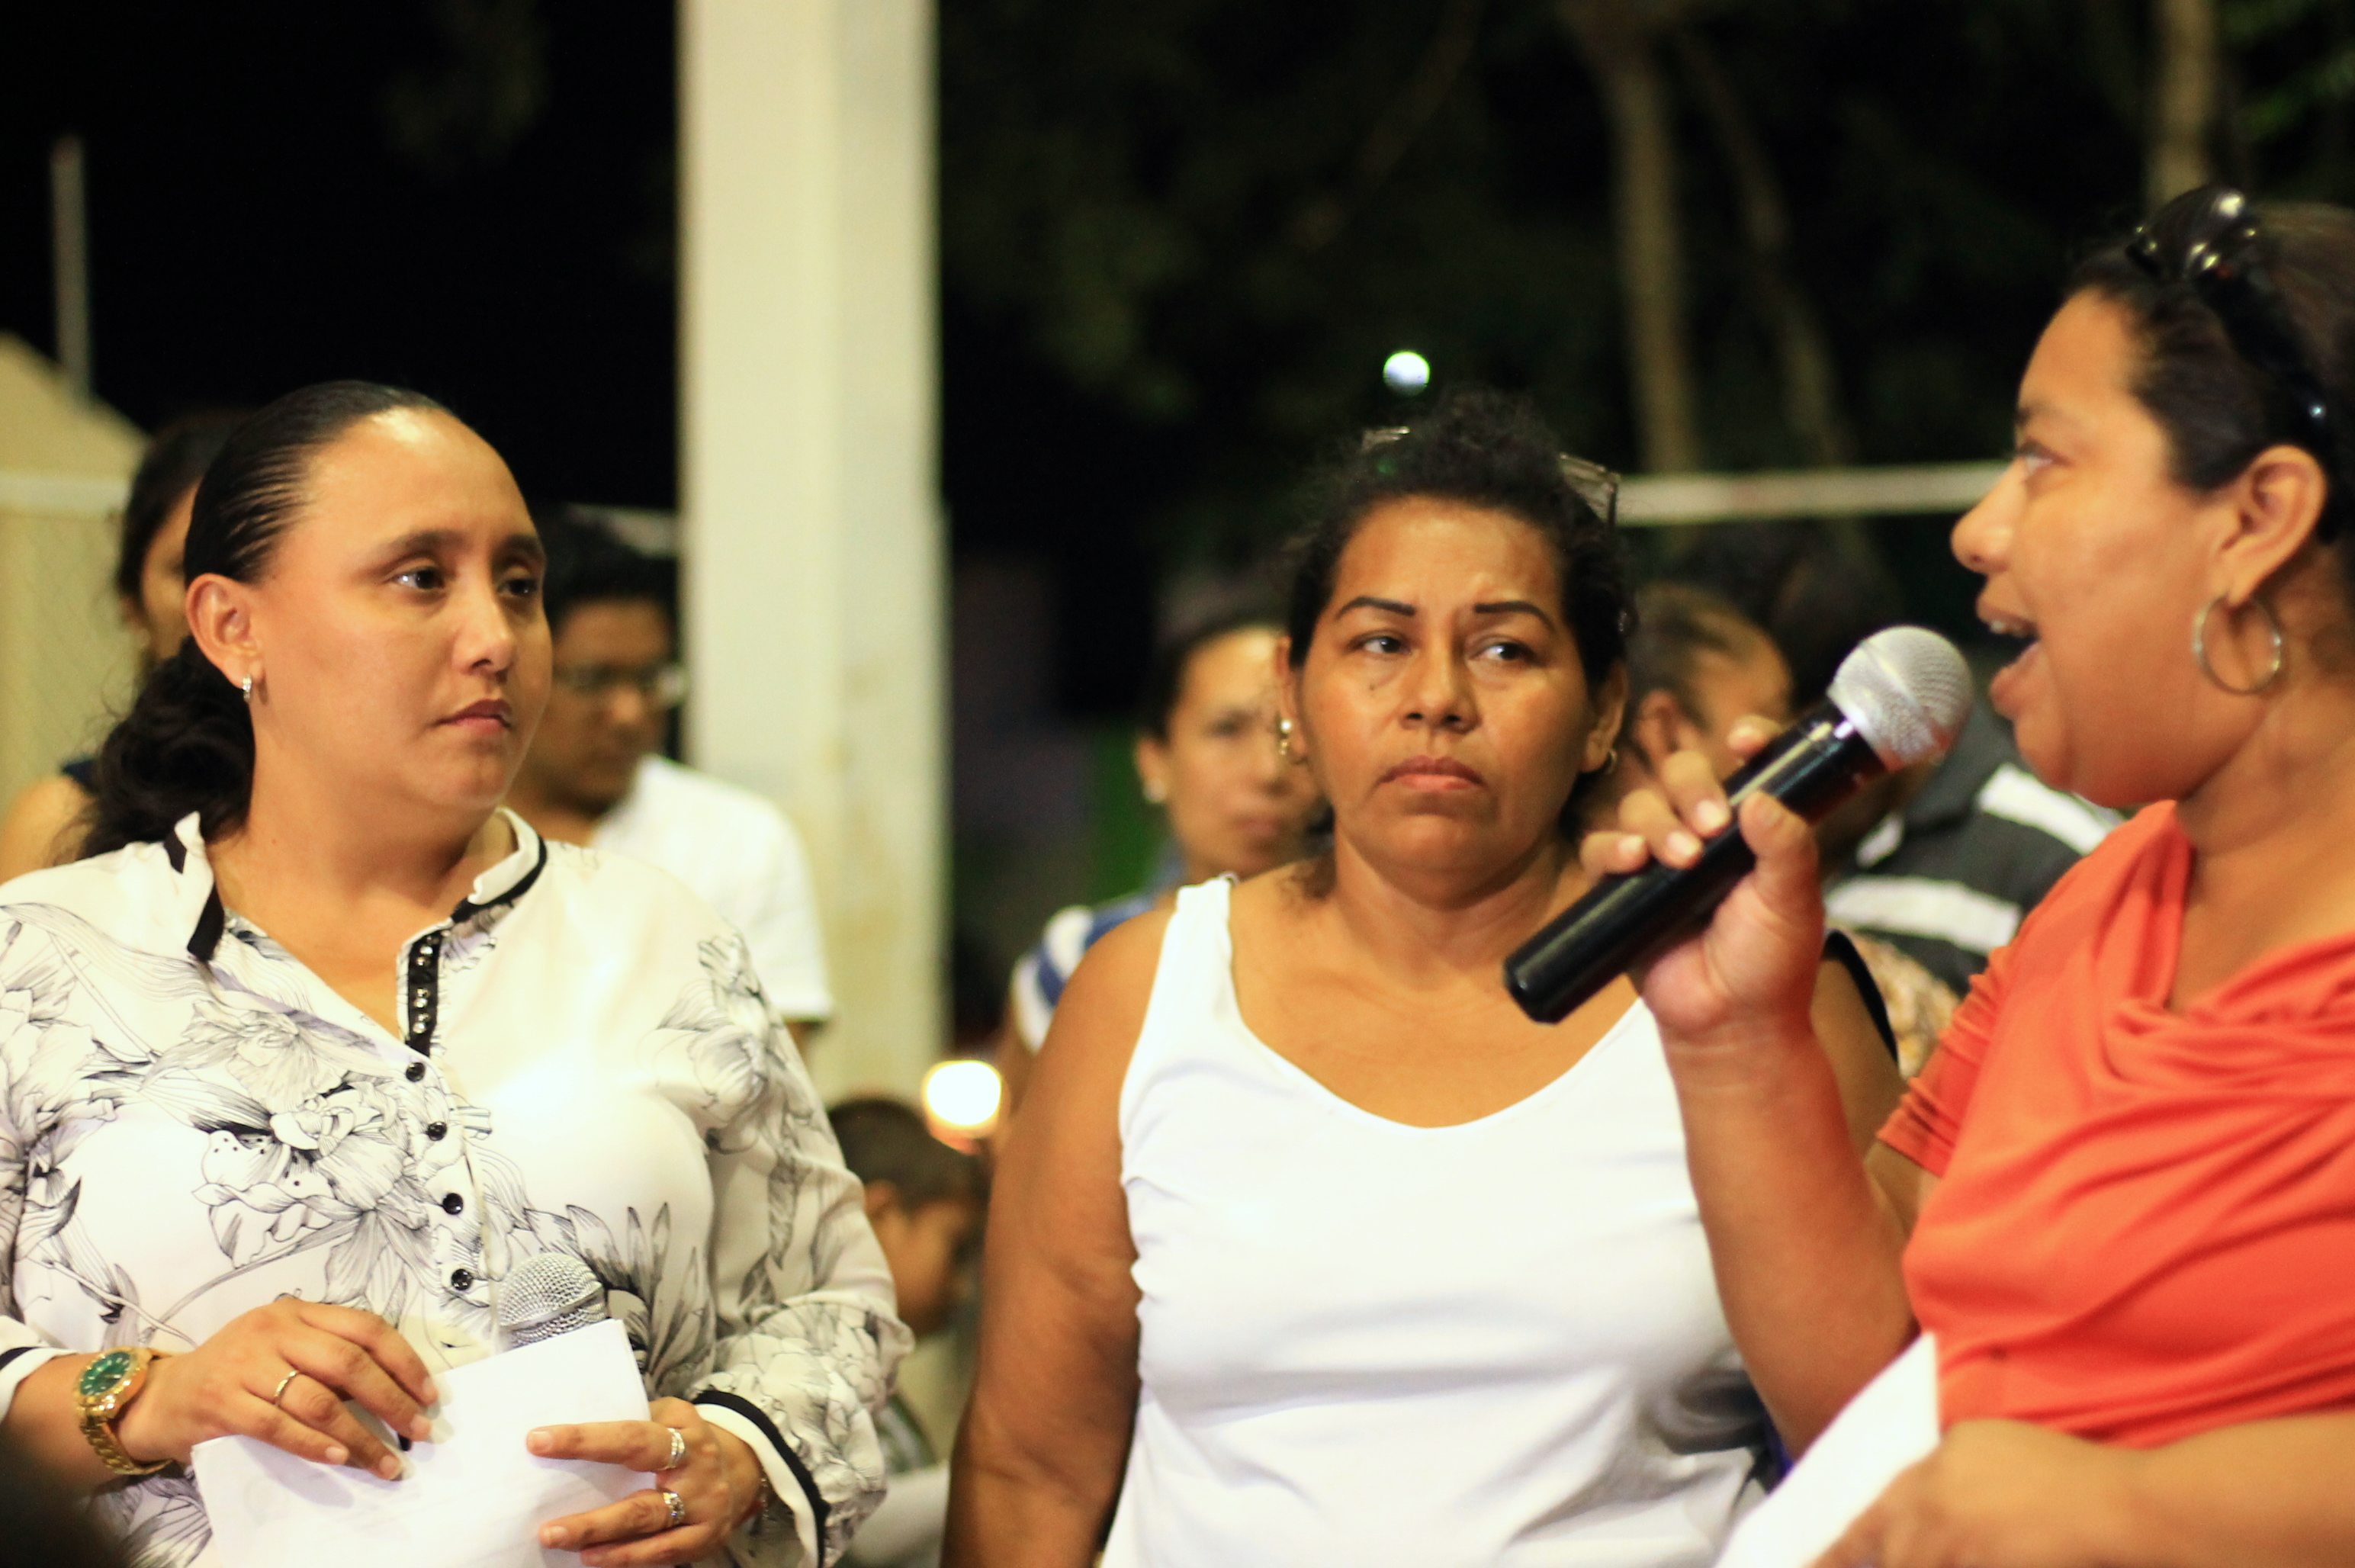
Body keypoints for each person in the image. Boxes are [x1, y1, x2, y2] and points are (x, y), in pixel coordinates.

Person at [946, 391, 1901, 1566]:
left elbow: (1893, 1442)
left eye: (1507, 647)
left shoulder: (1750, 994)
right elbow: (1029, 1470)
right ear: (1293, 693)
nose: (1439, 696)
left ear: (1604, 710)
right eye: (1382, 642)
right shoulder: (1145, 993)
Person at [0, 381, 906, 1568]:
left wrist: (736, 1446)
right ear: (232, 628)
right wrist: (155, 1396)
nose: (496, 638)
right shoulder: (47, 958)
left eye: (519, 587)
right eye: (421, 578)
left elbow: (830, 1299)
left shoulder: (657, 937)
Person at [1595, 187, 2355, 1566]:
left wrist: (2144, 1510)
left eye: (2041, 462)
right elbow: (1872, 1383)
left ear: (2254, 518)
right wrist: (1736, 1041)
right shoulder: (2100, 905)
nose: (1976, 530)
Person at [502, 508, 836, 1037]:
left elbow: (773, 1072)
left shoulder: (737, 841)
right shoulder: (439, 834)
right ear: (513, 670)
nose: (630, 714)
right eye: (593, 680)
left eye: (651, 678)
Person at [992, 609, 1322, 1118]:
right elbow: (1022, 1169)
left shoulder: (1396, 954)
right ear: (1154, 757)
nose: (1267, 770)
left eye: (1291, 731)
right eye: (1226, 729)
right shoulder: (1077, 961)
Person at [0, 413, 244, 881]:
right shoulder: (65, 820)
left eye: (243, 566)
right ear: (132, 602)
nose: (218, 605)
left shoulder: (364, 807)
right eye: (186, 569)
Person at [830, 1098, 985, 1568]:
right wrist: (1002, 1477)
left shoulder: (877, 1376)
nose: (960, 1286)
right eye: (954, 1247)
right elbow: (858, 1525)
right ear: (881, 1215)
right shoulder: (819, 1366)